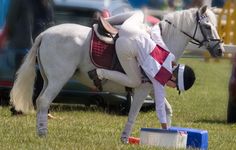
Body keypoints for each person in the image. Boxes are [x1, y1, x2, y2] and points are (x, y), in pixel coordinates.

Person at [88, 10, 195, 142]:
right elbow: (160, 106)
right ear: (174, 78)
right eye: (175, 86)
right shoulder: (159, 80)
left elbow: (156, 33)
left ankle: (107, 21)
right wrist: (165, 129)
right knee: (135, 81)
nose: (173, 88)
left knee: (139, 13)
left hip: (129, 30)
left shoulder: (169, 56)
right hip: (125, 47)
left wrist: (149, 30)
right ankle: (100, 73)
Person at [0, 0, 55, 116]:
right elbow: (11, 19)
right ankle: (17, 108)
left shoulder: (47, 2)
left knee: (42, 76)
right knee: (21, 75)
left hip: (41, 44)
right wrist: (12, 36)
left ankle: (43, 108)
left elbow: (50, 21)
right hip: (23, 43)